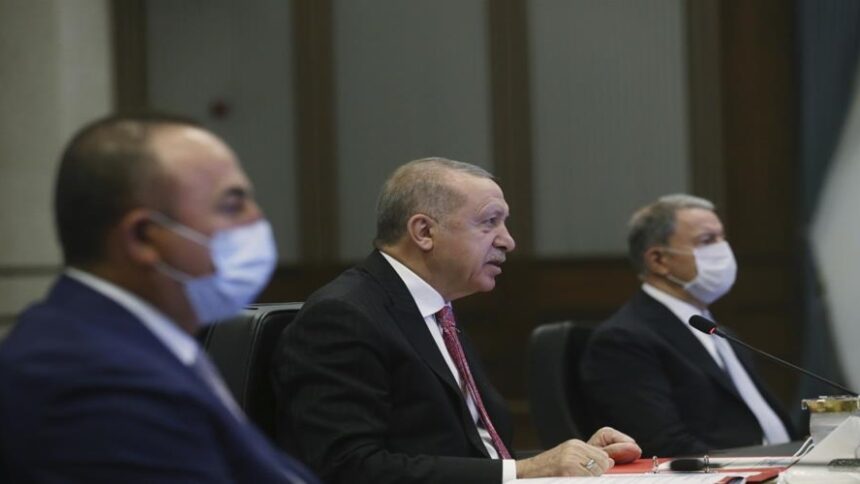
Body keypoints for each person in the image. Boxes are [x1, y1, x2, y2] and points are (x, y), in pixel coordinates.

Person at [272, 157, 641, 483]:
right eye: (490, 222)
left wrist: (574, 459)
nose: (508, 241)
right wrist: (527, 470)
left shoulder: (438, 311)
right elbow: (349, 468)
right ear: (424, 232)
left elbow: (472, 452)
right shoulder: (344, 316)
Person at [0, 114, 317, 483]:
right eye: (232, 205)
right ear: (143, 238)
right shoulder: (97, 382)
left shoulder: (135, 342)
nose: (257, 220)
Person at [580, 194, 797, 457]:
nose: (723, 249)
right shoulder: (623, 340)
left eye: (722, 238)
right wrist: (760, 466)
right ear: (658, 260)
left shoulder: (720, 333)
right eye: (707, 240)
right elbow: (663, 445)